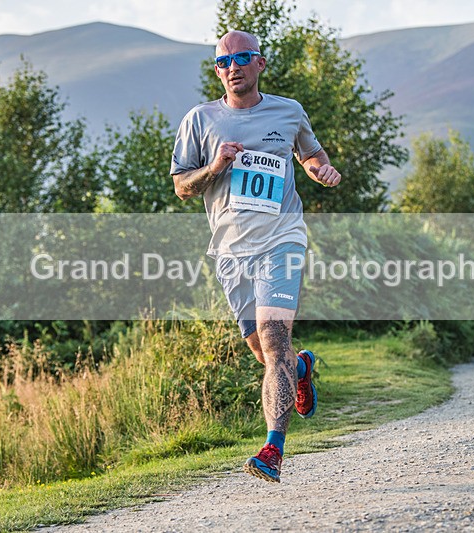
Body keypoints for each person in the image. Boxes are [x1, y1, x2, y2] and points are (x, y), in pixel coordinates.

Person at [170, 30, 341, 483]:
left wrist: (320, 170)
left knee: (273, 338)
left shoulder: (288, 111)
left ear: (260, 63)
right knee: (264, 351)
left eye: (243, 58)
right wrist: (216, 167)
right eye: (224, 62)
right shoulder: (199, 120)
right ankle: (301, 367)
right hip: (230, 248)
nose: (234, 67)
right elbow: (182, 187)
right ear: (217, 71)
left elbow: (310, 154)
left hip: (282, 237)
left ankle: (273, 448)